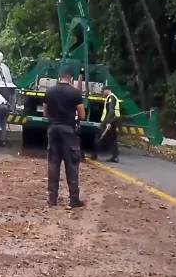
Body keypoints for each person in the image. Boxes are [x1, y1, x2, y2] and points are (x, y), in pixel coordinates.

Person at [43, 67, 86, 209]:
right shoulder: (75, 93)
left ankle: (52, 199)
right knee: (72, 164)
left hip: (53, 129)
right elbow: (82, 116)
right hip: (68, 130)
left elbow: (45, 113)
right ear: (71, 79)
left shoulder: (49, 92)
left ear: (59, 78)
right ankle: (73, 200)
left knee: (53, 164)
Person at [91, 86, 121, 162]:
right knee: (113, 139)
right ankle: (115, 157)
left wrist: (108, 122)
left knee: (99, 137)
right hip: (115, 121)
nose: (103, 92)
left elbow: (111, 111)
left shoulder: (111, 98)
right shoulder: (113, 97)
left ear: (108, 90)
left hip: (110, 121)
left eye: (104, 90)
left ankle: (94, 155)